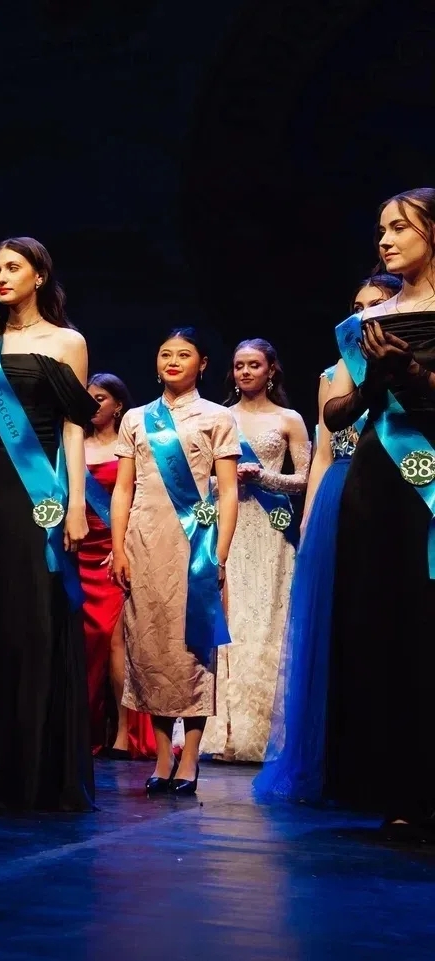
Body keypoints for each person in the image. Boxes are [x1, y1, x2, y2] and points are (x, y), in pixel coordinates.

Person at [0, 237, 98, 812]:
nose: (1, 277)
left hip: (38, 496)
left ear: (39, 276)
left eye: (13, 268)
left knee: (33, 616)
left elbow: (75, 426)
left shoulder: (66, 342)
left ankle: (34, 769)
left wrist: (76, 503)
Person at [254, 274, 399, 803]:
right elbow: (321, 453)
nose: (364, 314)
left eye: (377, 304)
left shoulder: (410, 364)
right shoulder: (334, 374)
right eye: (357, 306)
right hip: (340, 491)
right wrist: (311, 517)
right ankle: (336, 756)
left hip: (392, 485)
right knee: (335, 624)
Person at [321, 188, 435, 836]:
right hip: (377, 478)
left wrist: (413, 374)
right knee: (383, 621)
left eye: (400, 227)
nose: (385, 239)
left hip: (431, 478)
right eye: (381, 229)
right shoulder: (368, 321)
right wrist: (374, 382)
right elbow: (335, 415)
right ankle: (397, 787)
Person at [111, 328, 239, 797]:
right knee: (150, 648)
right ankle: (163, 756)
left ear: (202, 364)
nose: (172, 361)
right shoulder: (137, 418)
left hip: (194, 543)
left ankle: (190, 755)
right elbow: (123, 488)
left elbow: (227, 491)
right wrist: (119, 547)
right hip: (144, 541)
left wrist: (218, 553)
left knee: (191, 649)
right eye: (165, 353)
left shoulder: (218, 416)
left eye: (184, 354)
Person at [200, 340, 309, 762]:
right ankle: (221, 733)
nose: (245, 372)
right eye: (239, 365)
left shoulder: (289, 419)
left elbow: (304, 478)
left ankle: (264, 734)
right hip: (227, 526)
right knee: (228, 621)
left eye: (254, 365)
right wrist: (228, 481)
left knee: (265, 623)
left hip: (270, 529)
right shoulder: (218, 416)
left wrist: (262, 477)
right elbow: (200, 480)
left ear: (271, 370)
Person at [80, 372, 155, 760]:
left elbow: (137, 499)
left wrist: (123, 544)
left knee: (115, 641)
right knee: (84, 642)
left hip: (113, 552)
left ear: (118, 405)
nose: (93, 404)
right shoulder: (74, 444)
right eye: (88, 398)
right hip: (79, 551)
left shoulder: (128, 448)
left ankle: (124, 734)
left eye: (100, 398)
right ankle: (87, 729)